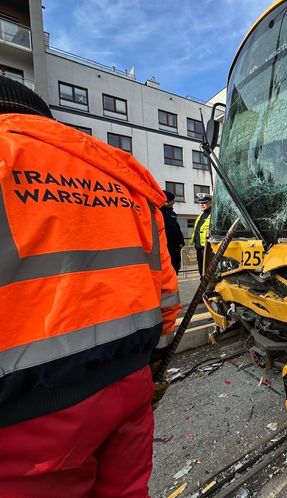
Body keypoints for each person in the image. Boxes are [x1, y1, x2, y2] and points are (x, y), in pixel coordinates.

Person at [0, 76, 181, 496]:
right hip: (129, 383)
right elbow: (166, 294)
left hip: (26, 418)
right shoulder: (125, 178)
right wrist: (151, 363)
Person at [161, 190, 185, 274]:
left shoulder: (172, 213)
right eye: (172, 200)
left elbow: (177, 228)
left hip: (175, 247)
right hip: (166, 246)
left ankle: (174, 284)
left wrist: (181, 241)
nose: (174, 202)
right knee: (168, 268)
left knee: (176, 266)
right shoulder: (159, 212)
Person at [192, 192, 213, 276]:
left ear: (211, 202)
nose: (202, 205)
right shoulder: (201, 215)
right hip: (199, 247)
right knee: (202, 270)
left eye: (204, 203)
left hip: (208, 248)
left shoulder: (213, 214)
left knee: (209, 270)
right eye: (200, 203)